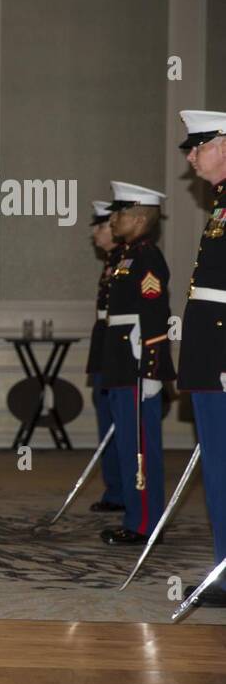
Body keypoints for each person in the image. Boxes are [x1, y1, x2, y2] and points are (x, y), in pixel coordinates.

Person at [98, 181, 173, 547]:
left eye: (121, 213)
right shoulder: (128, 256)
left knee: (140, 447)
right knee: (129, 443)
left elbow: (156, 313)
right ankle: (135, 513)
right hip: (121, 364)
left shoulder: (147, 257)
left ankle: (145, 522)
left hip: (137, 365)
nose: (113, 220)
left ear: (141, 217)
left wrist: (153, 370)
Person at [176, 110, 226, 604]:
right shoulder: (221, 205)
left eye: (199, 146)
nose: (191, 157)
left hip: (222, 355)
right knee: (218, 466)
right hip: (211, 357)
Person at [85, 200, 125, 514]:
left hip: (118, 355)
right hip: (105, 350)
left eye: (100, 227)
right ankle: (115, 488)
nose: (95, 234)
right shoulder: (114, 261)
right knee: (107, 423)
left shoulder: (130, 260)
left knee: (119, 427)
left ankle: (121, 490)